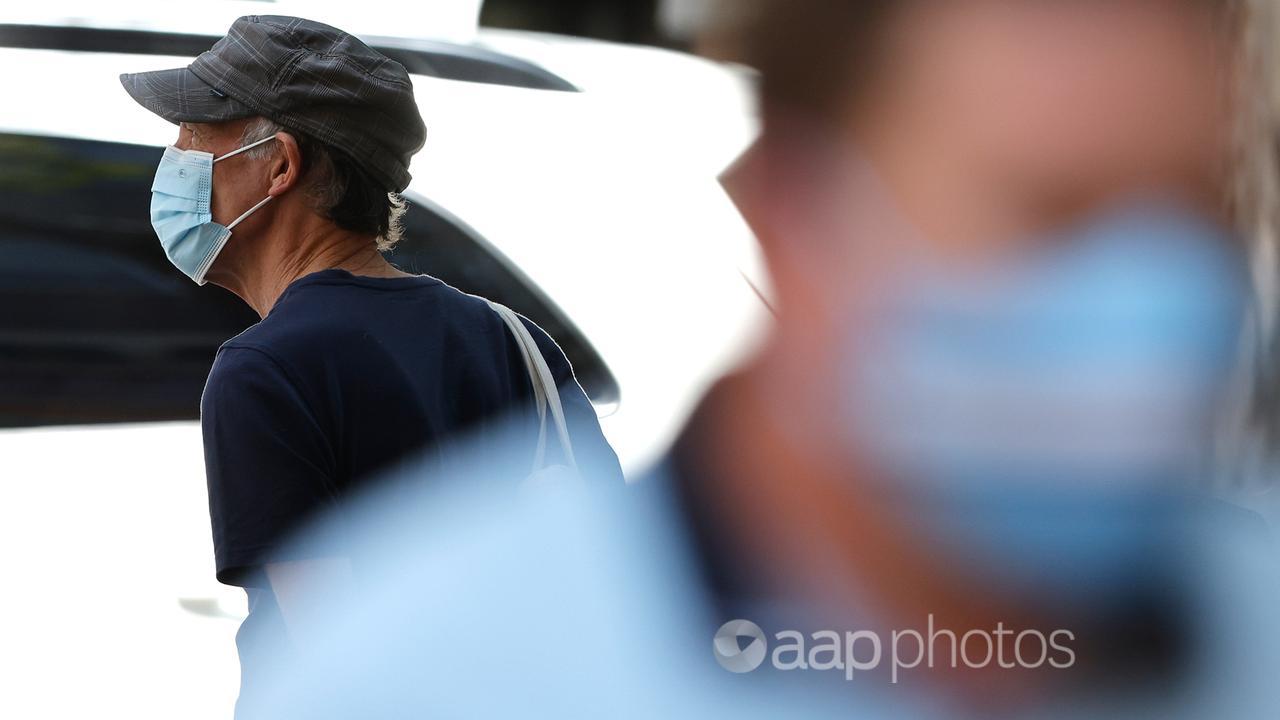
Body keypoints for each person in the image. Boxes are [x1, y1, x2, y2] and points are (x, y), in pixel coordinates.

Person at [236, 1, 1280, 718]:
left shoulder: (1254, 629)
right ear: (792, 213)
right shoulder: (428, 679)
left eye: (1195, 209)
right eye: (1051, 216)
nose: (1150, 290)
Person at [118, 14, 623, 714]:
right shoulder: (519, 343)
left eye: (195, 139)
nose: (174, 161)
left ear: (281, 164)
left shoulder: (265, 373)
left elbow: (349, 671)